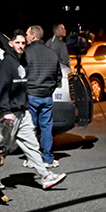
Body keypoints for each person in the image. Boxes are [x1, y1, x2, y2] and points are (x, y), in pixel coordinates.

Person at [0, 29, 67, 190]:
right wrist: (5, 111)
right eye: (18, 43)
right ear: (11, 43)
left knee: (32, 145)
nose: (21, 46)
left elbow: (23, 86)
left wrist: (26, 104)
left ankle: (46, 176)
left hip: (23, 110)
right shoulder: (7, 63)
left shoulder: (23, 61)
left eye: (23, 43)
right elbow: (3, 89)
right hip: (11, 113)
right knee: (0, 146)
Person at [25, 25, 63, 168]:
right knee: (47, 128)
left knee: (31, 128)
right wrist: (50, 88)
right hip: (47, 95)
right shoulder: (52, 53)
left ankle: (32, 158)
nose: (26, 37)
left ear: (33, 36)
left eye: (28, 34)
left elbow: (22, 74)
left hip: (32, 94)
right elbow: (58, 75)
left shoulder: (27, 53)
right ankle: (47, 158)